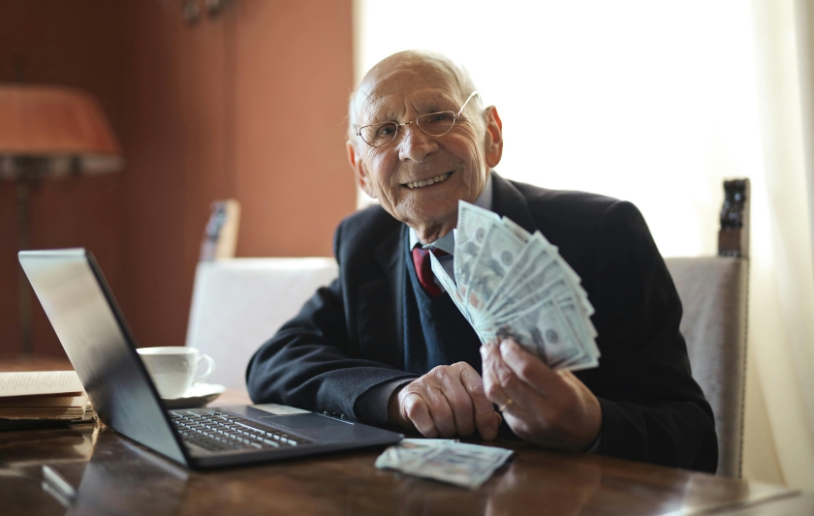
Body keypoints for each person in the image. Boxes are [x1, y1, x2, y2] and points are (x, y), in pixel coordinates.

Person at [246, 50, 718, 472]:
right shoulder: (365, 241)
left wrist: (589, 423)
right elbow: (275, 361)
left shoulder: (602, 233)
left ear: (491, 134)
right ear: (361, 170)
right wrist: (397, 395)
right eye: (386, 131)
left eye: (438, 117)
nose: (416, 146)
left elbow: (693, 439)